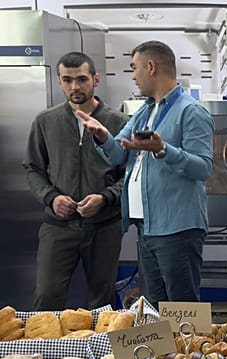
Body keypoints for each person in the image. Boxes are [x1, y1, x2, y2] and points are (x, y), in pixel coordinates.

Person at [78, 40, 214, 304]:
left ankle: (189, 348)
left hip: (178, 228)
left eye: (135, 68)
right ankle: (165, 348)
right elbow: (119, 154)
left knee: (181, 307)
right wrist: (103, 137)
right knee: (153, 307)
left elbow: (203, 167)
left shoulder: (191, 111)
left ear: (151, 67)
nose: (133, 76)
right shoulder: (144, 111)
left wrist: (163, 149)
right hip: (147, 226)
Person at [22, 52, 129, 311]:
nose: (75, 87)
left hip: (104, 226)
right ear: (59, 81)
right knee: (47, 296)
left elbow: (130, 175)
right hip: (58, 227)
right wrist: (52, 197)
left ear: (96, 79)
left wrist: (104, 198)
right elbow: (33, 168)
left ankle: (100, 352)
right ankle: (44, 351)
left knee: (101, 302)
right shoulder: (45, 121)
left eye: (81, 79)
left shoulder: (120, 122)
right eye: (67, 80)